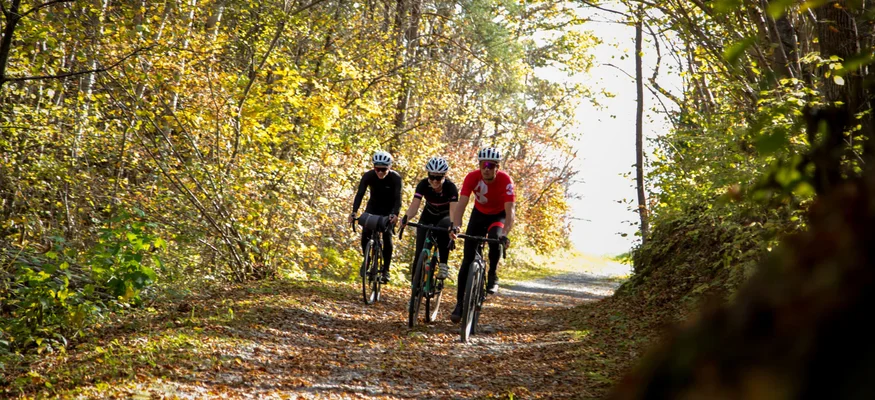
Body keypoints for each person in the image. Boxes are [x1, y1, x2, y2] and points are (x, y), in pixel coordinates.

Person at [448, 147, 515, 323]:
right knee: (467, 259)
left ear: (497, 167)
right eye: (483, 164)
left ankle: (492, 273)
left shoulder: (505, 180)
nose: (486, 168)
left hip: (498, 216)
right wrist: (456, 226)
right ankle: (460, 303)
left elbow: (510, 211)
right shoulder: (471, 177)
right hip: (478, 215)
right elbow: (462, 204)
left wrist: (505, 234)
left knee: (495, 238)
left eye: (491, 165)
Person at [399, 157, 459, 281]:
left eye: (438, 178)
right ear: (428, 175)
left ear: (444, 176)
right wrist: (406, 218)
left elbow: (454, 211)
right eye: (432, 177)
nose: (435, 181)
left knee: (444, 227)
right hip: (428, 214)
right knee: (419, 251)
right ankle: (415, 288)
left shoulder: (451, 187)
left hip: (445, 215)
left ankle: (443, 263)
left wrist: (453, 226)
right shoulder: (423, 184)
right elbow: (414, 206)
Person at [349, 151, 402, 283]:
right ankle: (367, 260)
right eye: (377, 169)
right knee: (366, 231)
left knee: (387, 234)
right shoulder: (368, 176)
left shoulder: (395, 178)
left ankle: (386, 270)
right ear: (374, 167)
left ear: (389, 167)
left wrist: (395, 215)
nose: (380, 172)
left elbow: (398, 198)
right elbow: (360, 194)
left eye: (383, 169)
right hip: (373, 207)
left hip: (389, 210)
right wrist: (354, 212)